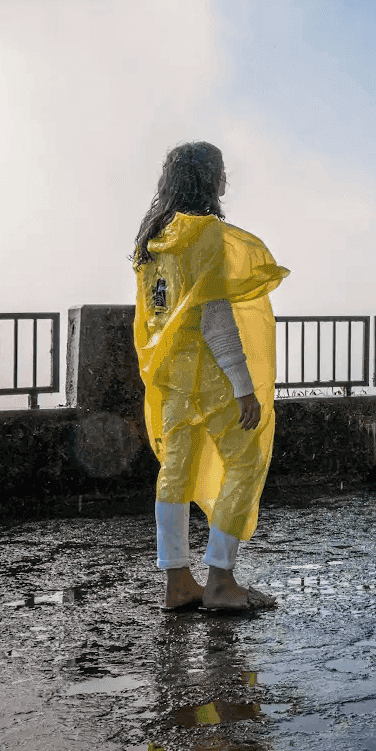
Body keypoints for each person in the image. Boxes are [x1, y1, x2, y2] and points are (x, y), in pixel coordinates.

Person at [132, 142, 288, 612]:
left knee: (174, 474)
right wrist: (245, 388)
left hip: (172, 378)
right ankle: (221, 579)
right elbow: (215, 320)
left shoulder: (152, 240)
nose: (225, 181)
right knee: (246, 460)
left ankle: (177, 582)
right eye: (221, 173)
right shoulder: (207, 238)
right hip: (213, 378)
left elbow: (153, 317)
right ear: (209, 180)